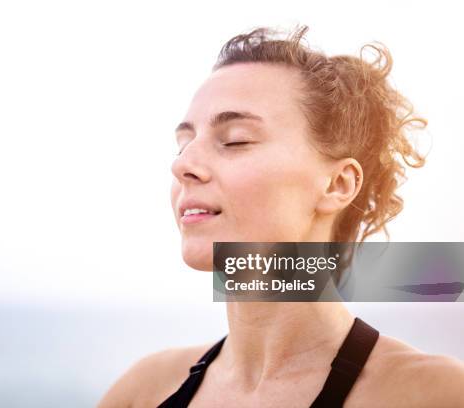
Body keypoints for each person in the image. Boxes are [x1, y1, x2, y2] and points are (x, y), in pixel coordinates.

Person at [98, 25, 464, 407]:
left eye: (235, 139)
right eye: (184, 143)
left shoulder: (433, 394)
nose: (183, 164)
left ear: (338, 184)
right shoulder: (143, 392)